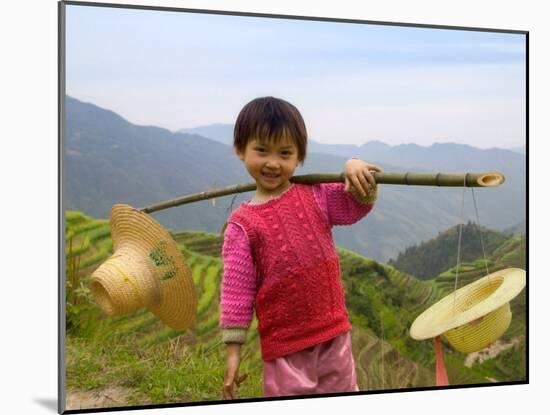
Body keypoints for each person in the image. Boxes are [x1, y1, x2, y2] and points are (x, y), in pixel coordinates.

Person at [220, 96, 382, 399]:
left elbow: (355, 204)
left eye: (285, 153)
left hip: (334, 333)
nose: (272, 162)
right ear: (240, 150)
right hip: (285, 346)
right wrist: (233, 352)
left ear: (299, 158)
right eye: (261, 150)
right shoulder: (242, 226)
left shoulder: (315, 196)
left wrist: (355, 167)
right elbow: (236, 293)